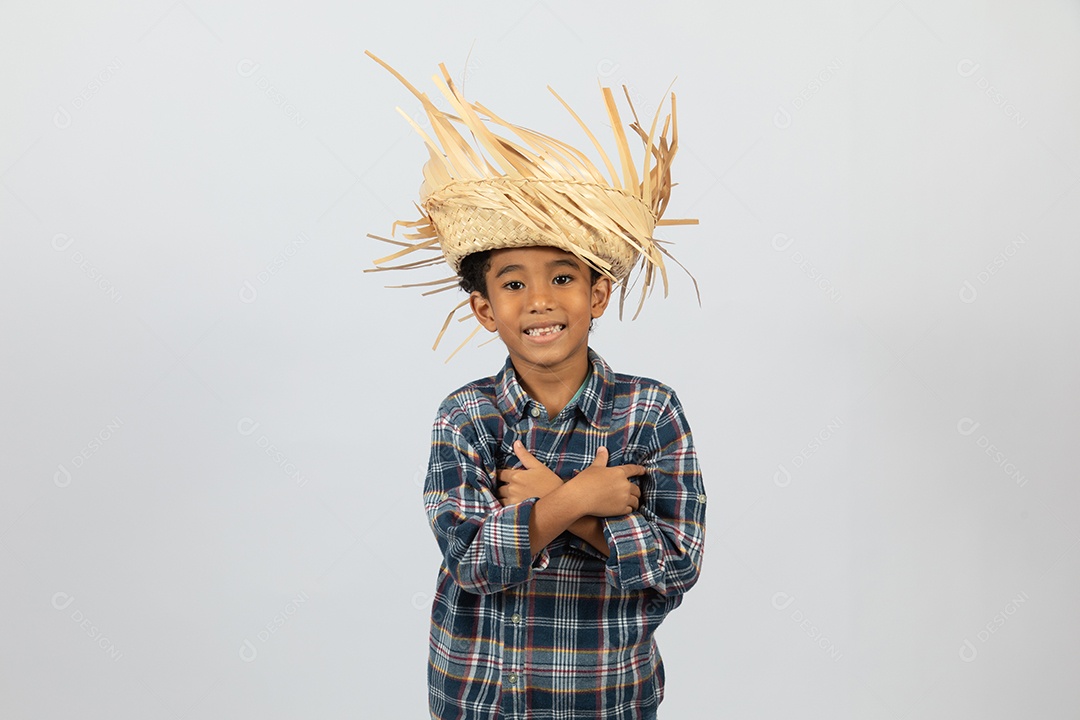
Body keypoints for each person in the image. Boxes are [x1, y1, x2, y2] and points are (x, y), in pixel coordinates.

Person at [365, 50, 707, 720]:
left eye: (562, 277)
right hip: (480, 698)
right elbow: (474, 564)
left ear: (597, 293)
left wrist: (556, 505)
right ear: (485, 309)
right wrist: (587, 499)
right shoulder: (465, 418)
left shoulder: (649, 412)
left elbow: (672, 570)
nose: (540, 300)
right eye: (513, 283)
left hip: (605, 697)